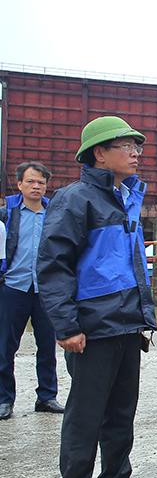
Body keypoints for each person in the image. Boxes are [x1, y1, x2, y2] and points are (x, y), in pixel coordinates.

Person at [38, 116, 157, 478]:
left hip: (126, 322)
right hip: (92, 326)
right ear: (99, 153)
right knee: (86, 414)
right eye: (125, 146)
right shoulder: (75, 199)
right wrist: (67, 326)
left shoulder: (127, 198)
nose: (136, 152)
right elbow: (54, 266)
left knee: (121, 410)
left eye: (136, 146)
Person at [0, 162, 62, 421]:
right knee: (5, 347)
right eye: (31, 182)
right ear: (20, 184)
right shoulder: (8, 215)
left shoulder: (55, 215)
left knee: (47, 346)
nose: (36, 186)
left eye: (41, 183)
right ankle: (4, 400)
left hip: (45, 290)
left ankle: (46, 396)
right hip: (14, 287)